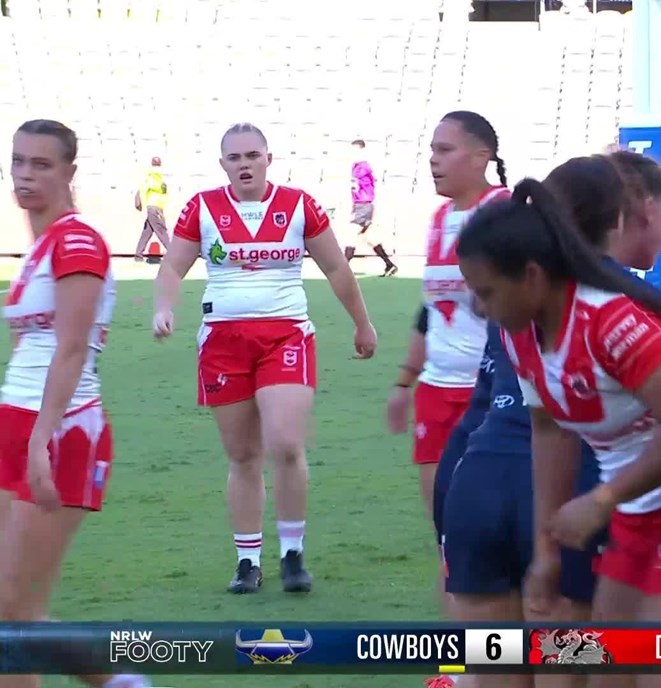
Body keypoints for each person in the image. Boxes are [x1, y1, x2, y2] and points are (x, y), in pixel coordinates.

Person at [456, 179, 661, 688]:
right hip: (638, 514)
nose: (478, 307)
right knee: (599, 671)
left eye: (487, 291)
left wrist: (602, 499)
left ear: (534, 276)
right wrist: (546, 551)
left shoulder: (610, 320)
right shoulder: (522, 333)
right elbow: (550, 430)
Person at [152, 122, 377, 595]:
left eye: (253, 155)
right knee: (242, 454)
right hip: (222, 342)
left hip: (285, 336)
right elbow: (174, 264)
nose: (245, 164)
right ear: (223, 165)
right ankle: (247, 560)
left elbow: (336, 265)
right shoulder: (202, 207)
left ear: (269, 159)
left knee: (285, 442)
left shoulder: (298, 205)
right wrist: (164, 307)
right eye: (235, 158)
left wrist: (362, 322)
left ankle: (292, 553)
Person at [0, 119, 150, 688]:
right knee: (8, 615)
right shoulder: (39, 247)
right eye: (17, 162)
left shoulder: (78, 240)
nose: (25, 174)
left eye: (41, 164)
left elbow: (70, 350)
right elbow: (26, 351)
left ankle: (121, 682)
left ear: (68, 172)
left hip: (61, 430)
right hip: (17, 423)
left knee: (18, 611)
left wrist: (40, 439)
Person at [386, 110, 509, 641]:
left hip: (495, 396)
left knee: (497, 534)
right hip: (437, 396)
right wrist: (404, 382)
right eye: (431, 149)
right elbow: (430, 311)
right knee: (447, 535)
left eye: (445, 149)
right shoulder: (438, 220)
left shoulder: (503, 212)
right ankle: (456, 661)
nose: (433, 160)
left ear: (482, 157)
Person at [346, 139, 398, 276]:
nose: (352, 154)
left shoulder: (364, 167)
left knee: (351, 235)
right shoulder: (356, 167)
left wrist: (367, 202)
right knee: (370, 238)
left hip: (364, 205)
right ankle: (389, 265)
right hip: (360, 205)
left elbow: (372, 183)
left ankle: (343, 269)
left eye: (355, 150)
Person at [133, 155, 170, 262]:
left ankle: (138, 256)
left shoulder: (150, 175)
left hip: (151, 206)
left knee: (147, 232)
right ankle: (173, 253)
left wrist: (139, 201)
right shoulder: (162, 176)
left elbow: (143, 189)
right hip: (157, 207)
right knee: (162, 231)